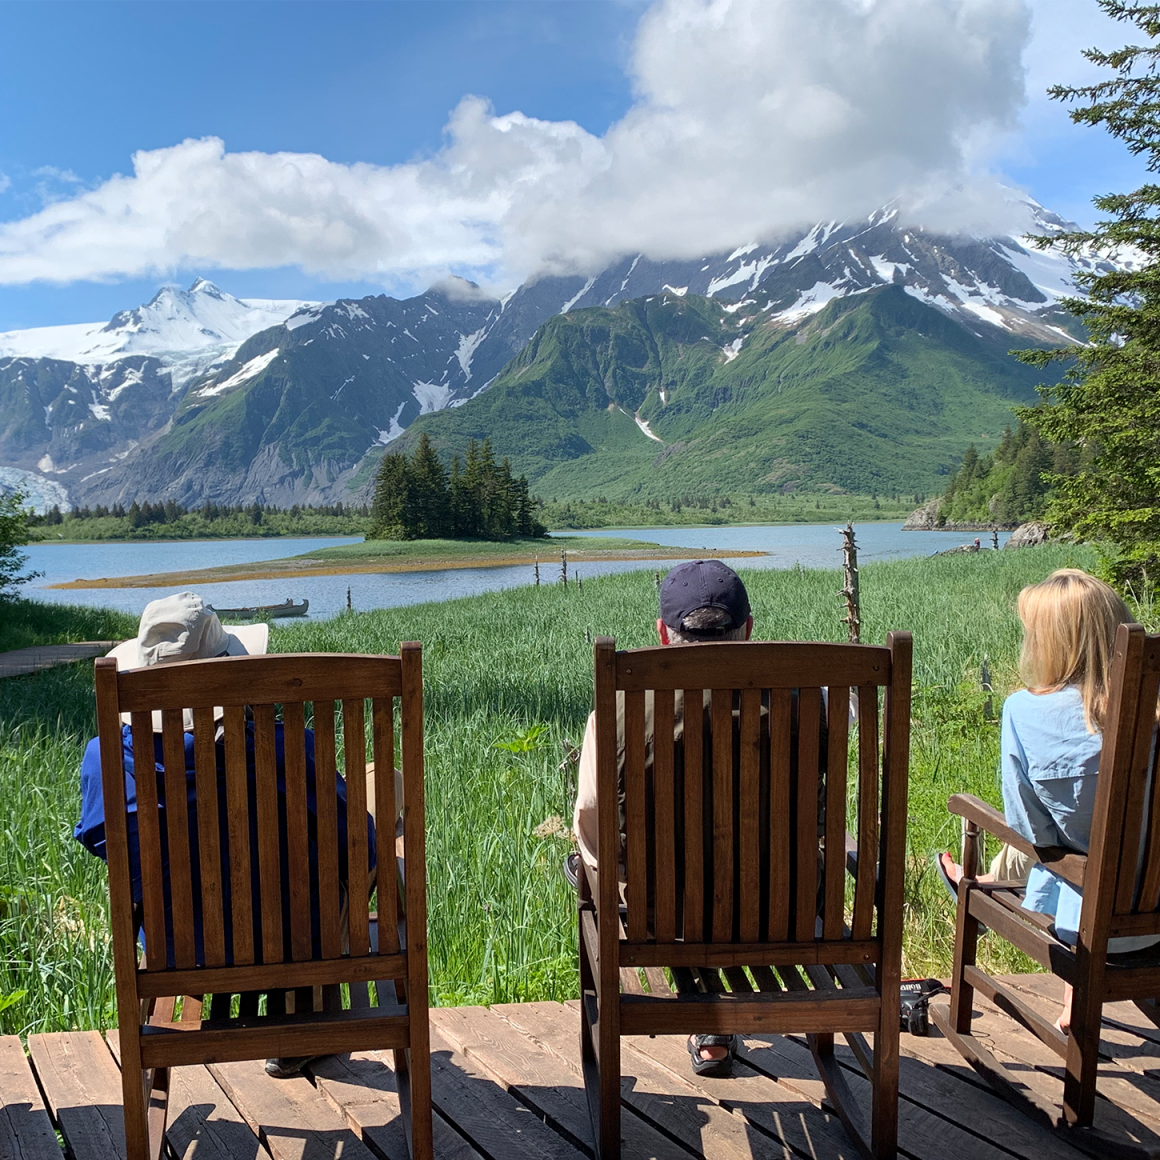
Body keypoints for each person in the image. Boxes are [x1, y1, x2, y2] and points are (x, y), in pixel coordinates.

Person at [75, 592, 398, 1076]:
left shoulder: (107, 758)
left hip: (180, 952)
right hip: (297, 944)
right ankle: (304, 1023)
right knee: (366, 836)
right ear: (231, 668)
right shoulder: (288, 746)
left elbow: (109, 849)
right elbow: (361, 843)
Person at [571, 560, 830, 1078]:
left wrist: (603, 870)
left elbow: (593, 826)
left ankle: (708, 1024)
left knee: (621, 871)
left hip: (664, 918)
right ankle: (716, 1025)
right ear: (749, 630)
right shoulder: (810, 702)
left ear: (664, 635)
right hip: (787, 913)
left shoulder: (617, 710)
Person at [937, 568, 1157, 1033]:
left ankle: (973, 883)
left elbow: (1029, 830)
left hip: (1094, 929)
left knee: (1062, 849)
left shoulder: (1024, 710)